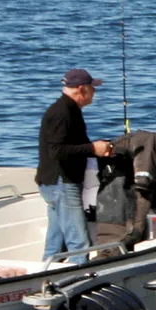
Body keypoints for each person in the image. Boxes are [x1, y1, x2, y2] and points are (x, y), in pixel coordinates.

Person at [35, 68, 114, 264]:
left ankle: (44, 277)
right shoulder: (62, 113)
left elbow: (73, 145)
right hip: (61, 182)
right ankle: (79, 281)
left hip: (57, 182)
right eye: (92, 89)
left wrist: (97, 147)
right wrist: (92, 148)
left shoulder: (70, 110)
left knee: (56, 242)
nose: (95, 93)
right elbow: (57, 151)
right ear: (82, 89)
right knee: (79, 243)